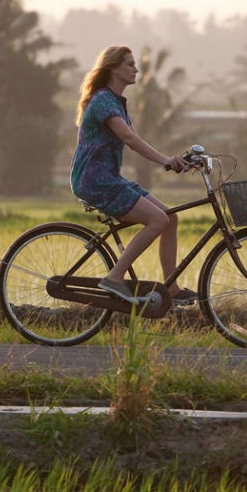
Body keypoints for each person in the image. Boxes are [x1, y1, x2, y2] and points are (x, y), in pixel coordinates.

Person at [70, 46, 196, 305]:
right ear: (114, 68)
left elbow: (135, 138)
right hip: (95, 181)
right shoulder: (103, 100)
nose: (136, 69)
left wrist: (175, 160)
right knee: (158, 220)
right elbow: (128, 138)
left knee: (170, 218)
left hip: (109, 179)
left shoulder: (116, 102)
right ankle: (114, 278)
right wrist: (164, 160)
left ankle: (170, 288)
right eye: (129, 64)